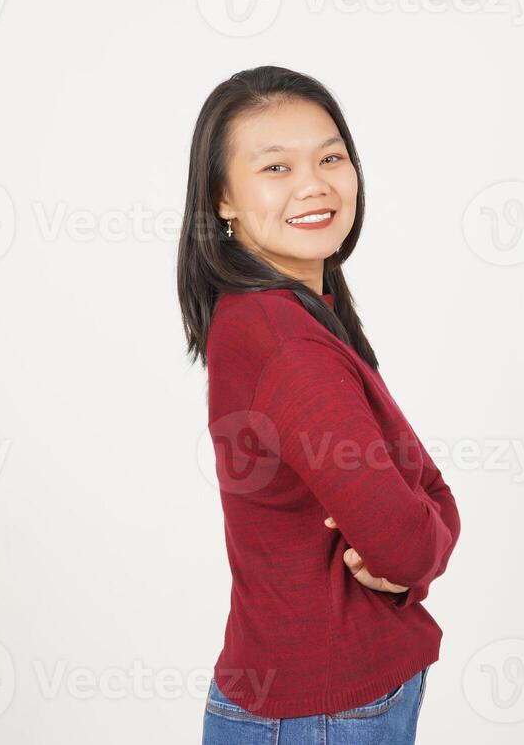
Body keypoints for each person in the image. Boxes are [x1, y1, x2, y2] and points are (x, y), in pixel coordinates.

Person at [177, 65, 460, 744]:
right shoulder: (285, 342)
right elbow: (408, 539)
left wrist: (423, 518)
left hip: (316, 702)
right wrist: (424, 529)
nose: (315, 184)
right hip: (316, 712)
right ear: (222, 196)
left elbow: (423, 497)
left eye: (331, 156)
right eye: (276, 167)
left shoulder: (293, 318)